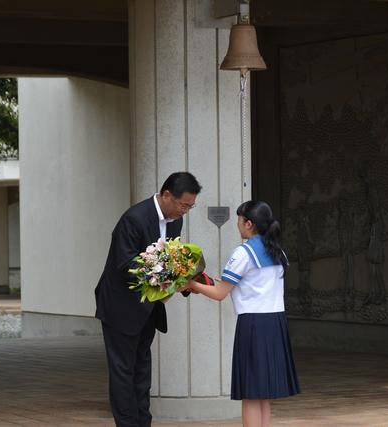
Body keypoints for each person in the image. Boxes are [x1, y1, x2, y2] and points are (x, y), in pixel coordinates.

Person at [94, 172, 201, 426]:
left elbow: (172, 258)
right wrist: (167, 274)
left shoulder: (175, 221)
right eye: (183, 205)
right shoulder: (134, 218)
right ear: (166, 195)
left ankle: (143, 422)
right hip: (120, 306)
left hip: (148, 308)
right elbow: (126, 263)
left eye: (190, 206)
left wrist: (184, 278)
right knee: (123, 372)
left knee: (142, 370)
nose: (185, 211)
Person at [187, 200, 300, 427]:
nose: (237, 225)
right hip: (275, 323)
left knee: (250, 393)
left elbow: (220, 293)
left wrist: (191, 284)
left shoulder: (244, 252)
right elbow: (245, 285)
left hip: (253, 325)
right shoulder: (278, 251)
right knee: (263, 393)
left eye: (239, 221)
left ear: (248, 224)